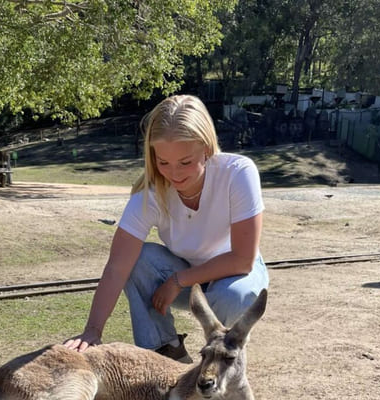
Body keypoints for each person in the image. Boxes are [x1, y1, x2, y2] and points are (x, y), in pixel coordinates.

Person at [64, 95, 269, 362]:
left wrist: (178, 280)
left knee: (234, 297)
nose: (174, 173)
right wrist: (92, 331)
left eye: (185, 162)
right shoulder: (148, 194)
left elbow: (242, 260)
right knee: (136, 259)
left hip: (234, 274)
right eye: (163, 162)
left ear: (206, 148)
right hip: (185, 273)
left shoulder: (237, 172)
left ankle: (222, 364)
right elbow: (117, 267)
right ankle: (165, 355)